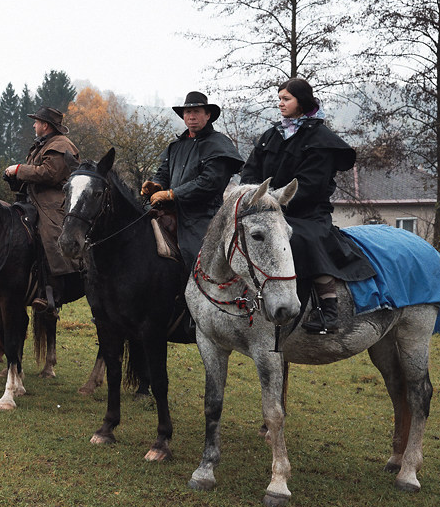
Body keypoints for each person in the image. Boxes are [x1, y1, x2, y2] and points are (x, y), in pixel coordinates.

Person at [240, 77, 375, 334]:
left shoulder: (320, 138)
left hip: (308, 214)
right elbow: (250, 171)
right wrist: (252, 194)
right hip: (267, 211)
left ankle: (328, 309)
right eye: (279, 99)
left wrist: (275, 200)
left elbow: (311, 184)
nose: (280, 104)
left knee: (303, 240)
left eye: (286, 99)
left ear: (301, 102)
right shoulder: (271, 135)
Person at [141, 91, 244, 264]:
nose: (191, 116)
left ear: (208, 115)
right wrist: (156, 185)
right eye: (188, 112)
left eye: (196, 111)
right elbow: (163, 173)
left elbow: (210, 182)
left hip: (203, 215)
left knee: (200, 261)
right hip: (170, 210)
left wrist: (172, 194)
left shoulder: (218, 144)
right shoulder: (175, 146)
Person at [3, 106, 80, 310]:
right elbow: (35, 175)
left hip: (53, 203)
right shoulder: (43, 144)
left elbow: (49, 173)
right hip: (32, 200)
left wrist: (20, 170)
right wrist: (14, 178)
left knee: (49, 235)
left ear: (45, 125)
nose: (34, 124)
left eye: (36, 121)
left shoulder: (62, 145)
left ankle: (52, 292)